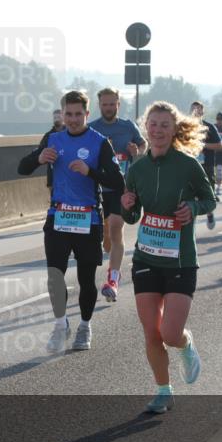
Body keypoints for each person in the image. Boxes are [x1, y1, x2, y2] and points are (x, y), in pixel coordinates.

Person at [121, 101, 215, 414]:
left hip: (180, 261)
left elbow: (209, 198)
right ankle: (163, 390)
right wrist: (127, 203)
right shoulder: (137, 169)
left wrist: (193, 208)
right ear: (145, 128)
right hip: (146, 259)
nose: (158, 130)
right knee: (151, 333)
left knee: (170, 333)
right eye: (153, 124)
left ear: (174, 130)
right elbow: (133, 216)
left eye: (165, 125)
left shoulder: (188, 165)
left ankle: (186, 345)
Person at [17, 90, 123, 352]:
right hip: (58, 215)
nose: (73, 119)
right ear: (62, 114)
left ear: (87, 114)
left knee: (86, 280)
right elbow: (22, 167)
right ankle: (61, 323)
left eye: (78, 114)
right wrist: (38, 159)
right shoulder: (53, 139)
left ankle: (85, 326)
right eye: (68, 114)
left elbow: (118, 182)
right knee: (55, 276)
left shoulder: (99, 142)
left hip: (88, 217)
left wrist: (91, 172)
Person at [88, 88, 145, 302]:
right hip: (98, 188)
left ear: (118, 104)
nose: (109, 108)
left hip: (121, 188)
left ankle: (113, 279)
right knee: (106, 237)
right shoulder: (92, 128)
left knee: (115, 228)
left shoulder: (127, 126)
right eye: (105, 104)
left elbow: (143, 144)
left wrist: (136, 152)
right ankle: (111, 261)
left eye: (112, 104)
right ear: (99, 105)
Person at [189, 102, 222, 228]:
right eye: (193, 110)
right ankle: (191, 223)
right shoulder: (185, 127)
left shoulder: (209, 127)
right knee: (190, 195)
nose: (195, 112)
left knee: (208, 194)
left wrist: (204, 146)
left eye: (198, 110)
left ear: (202, 112)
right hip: (190, 166)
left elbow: (220, 145)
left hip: (206, 165)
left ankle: (210, 214)